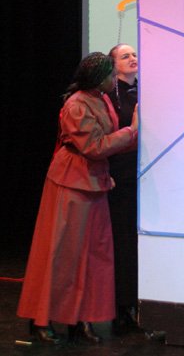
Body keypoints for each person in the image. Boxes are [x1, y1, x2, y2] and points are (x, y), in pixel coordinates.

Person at [17, 52, 138, 345]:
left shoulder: (101, 99)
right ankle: (41, 319)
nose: (114, 79)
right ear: (98, 78)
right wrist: (132, 131)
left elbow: (105, 146)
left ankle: (81, 319)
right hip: (71, 183)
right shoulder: (76, 105)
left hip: (94, 181)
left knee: (94, 256)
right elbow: (94, 146)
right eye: (110, 75)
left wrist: (130, 139)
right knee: (62, 253)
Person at [106, 43, 139, 333]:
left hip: (146, 177)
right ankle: (121, 306)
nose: (132, 58)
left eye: (134, 54)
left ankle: (140, 303)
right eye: (125, 56)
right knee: (123, 242)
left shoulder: (144, 90)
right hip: (121, 176)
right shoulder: (108, 97)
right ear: (113, 64)